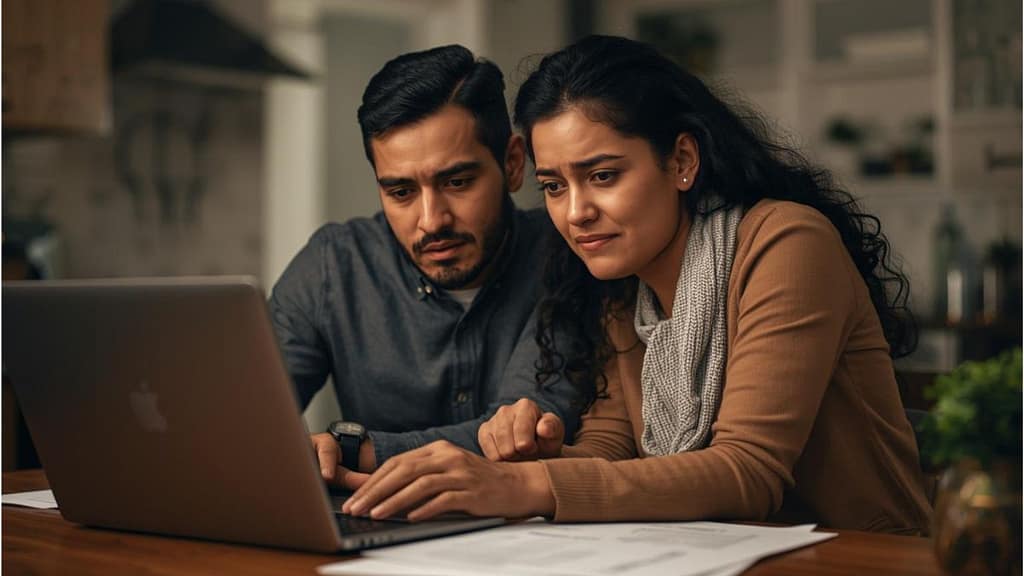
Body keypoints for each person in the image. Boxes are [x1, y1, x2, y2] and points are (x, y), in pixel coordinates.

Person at [340, 35, 933, 535]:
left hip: (862, 556)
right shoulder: (623, 283)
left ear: (680, 161)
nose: (575, 212)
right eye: (552, 186)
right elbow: (611, 446)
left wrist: (522, 483)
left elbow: (748, 472)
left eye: (601, 175)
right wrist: (542, 453)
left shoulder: (785, 243)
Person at [269, 45, 580, 485]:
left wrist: (355, 451)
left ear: (512, 164)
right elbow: (248, 422)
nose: (432, 220)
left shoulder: (568, 256)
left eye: (457, 182)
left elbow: (516, 437)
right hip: (372, 529)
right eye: (400, 192)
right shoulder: (334, 267)